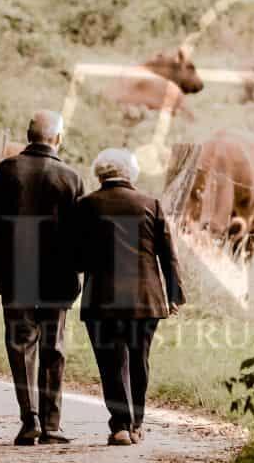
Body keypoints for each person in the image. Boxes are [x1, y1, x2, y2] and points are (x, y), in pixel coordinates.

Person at [0, 110, 84, 446]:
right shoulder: (71, 178)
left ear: (28, 135)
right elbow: (81, 238)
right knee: (54, 348)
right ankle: (52, 426)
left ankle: (30, 420)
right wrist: (80, 275)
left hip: (14, 276)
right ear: (58, 139)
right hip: (58, 279)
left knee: (20, 346)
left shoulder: (5, 171)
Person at [75, 148, 185, 446]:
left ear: (99, 173)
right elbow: (168, 254)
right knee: (139, 360)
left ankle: (120, 426)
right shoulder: (151, 204)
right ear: (131, 173)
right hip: (145, 299)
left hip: (101, 298)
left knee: (110, 364)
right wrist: (174, 295)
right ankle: (137, 424)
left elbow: (76, 256)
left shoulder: (85, 205)